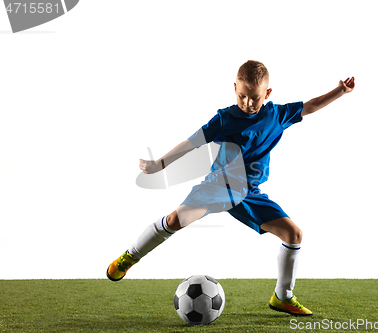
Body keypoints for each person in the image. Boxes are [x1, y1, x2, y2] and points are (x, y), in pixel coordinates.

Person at [107, 60, 355, 316]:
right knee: (175, 219)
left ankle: (283, 297)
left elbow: (309, 106)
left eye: (255, 98)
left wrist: (340, 91)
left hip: (250, 193)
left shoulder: (276, 115)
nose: (248, 103)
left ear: (268, 94)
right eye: (242, 96)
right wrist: (160, 164)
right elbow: (193, 142)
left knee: (294, 235)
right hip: (221, 186)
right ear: (235, 88)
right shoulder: (225, 118)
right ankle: (130, 256)